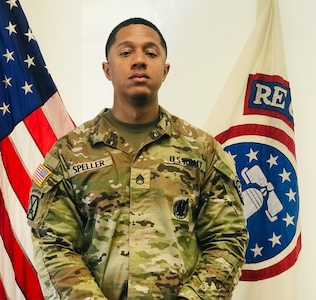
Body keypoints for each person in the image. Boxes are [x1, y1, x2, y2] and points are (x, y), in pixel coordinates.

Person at [27, 17, 248, 300]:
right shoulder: (68, 154)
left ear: (165, 70)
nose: (139, 60)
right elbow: (53, 243)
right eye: (126, 52)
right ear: (107, 69)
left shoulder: (202, 150)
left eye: (151, 53)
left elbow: (226, 239)